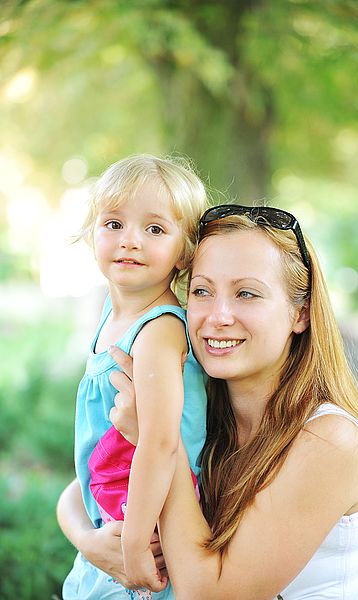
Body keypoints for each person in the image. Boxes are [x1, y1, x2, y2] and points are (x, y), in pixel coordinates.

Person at [58, 204, 358, 600]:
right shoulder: (205, 403)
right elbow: (82, 488)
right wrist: (91, 542)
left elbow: (208, 594)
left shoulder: (331, 440)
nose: (218, 315)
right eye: (202, 291)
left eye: (246, 293)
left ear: (300, 314)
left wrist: (158, 442)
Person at [61, 154, 208, 600]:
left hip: (150, 534)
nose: (130, 241)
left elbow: (160, 441)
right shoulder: (113, 315)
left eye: (155, 229)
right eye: (114, 224)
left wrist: (134, 544)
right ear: (92, 235)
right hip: (113, 519)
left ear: (184, 253)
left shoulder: (159, 329)